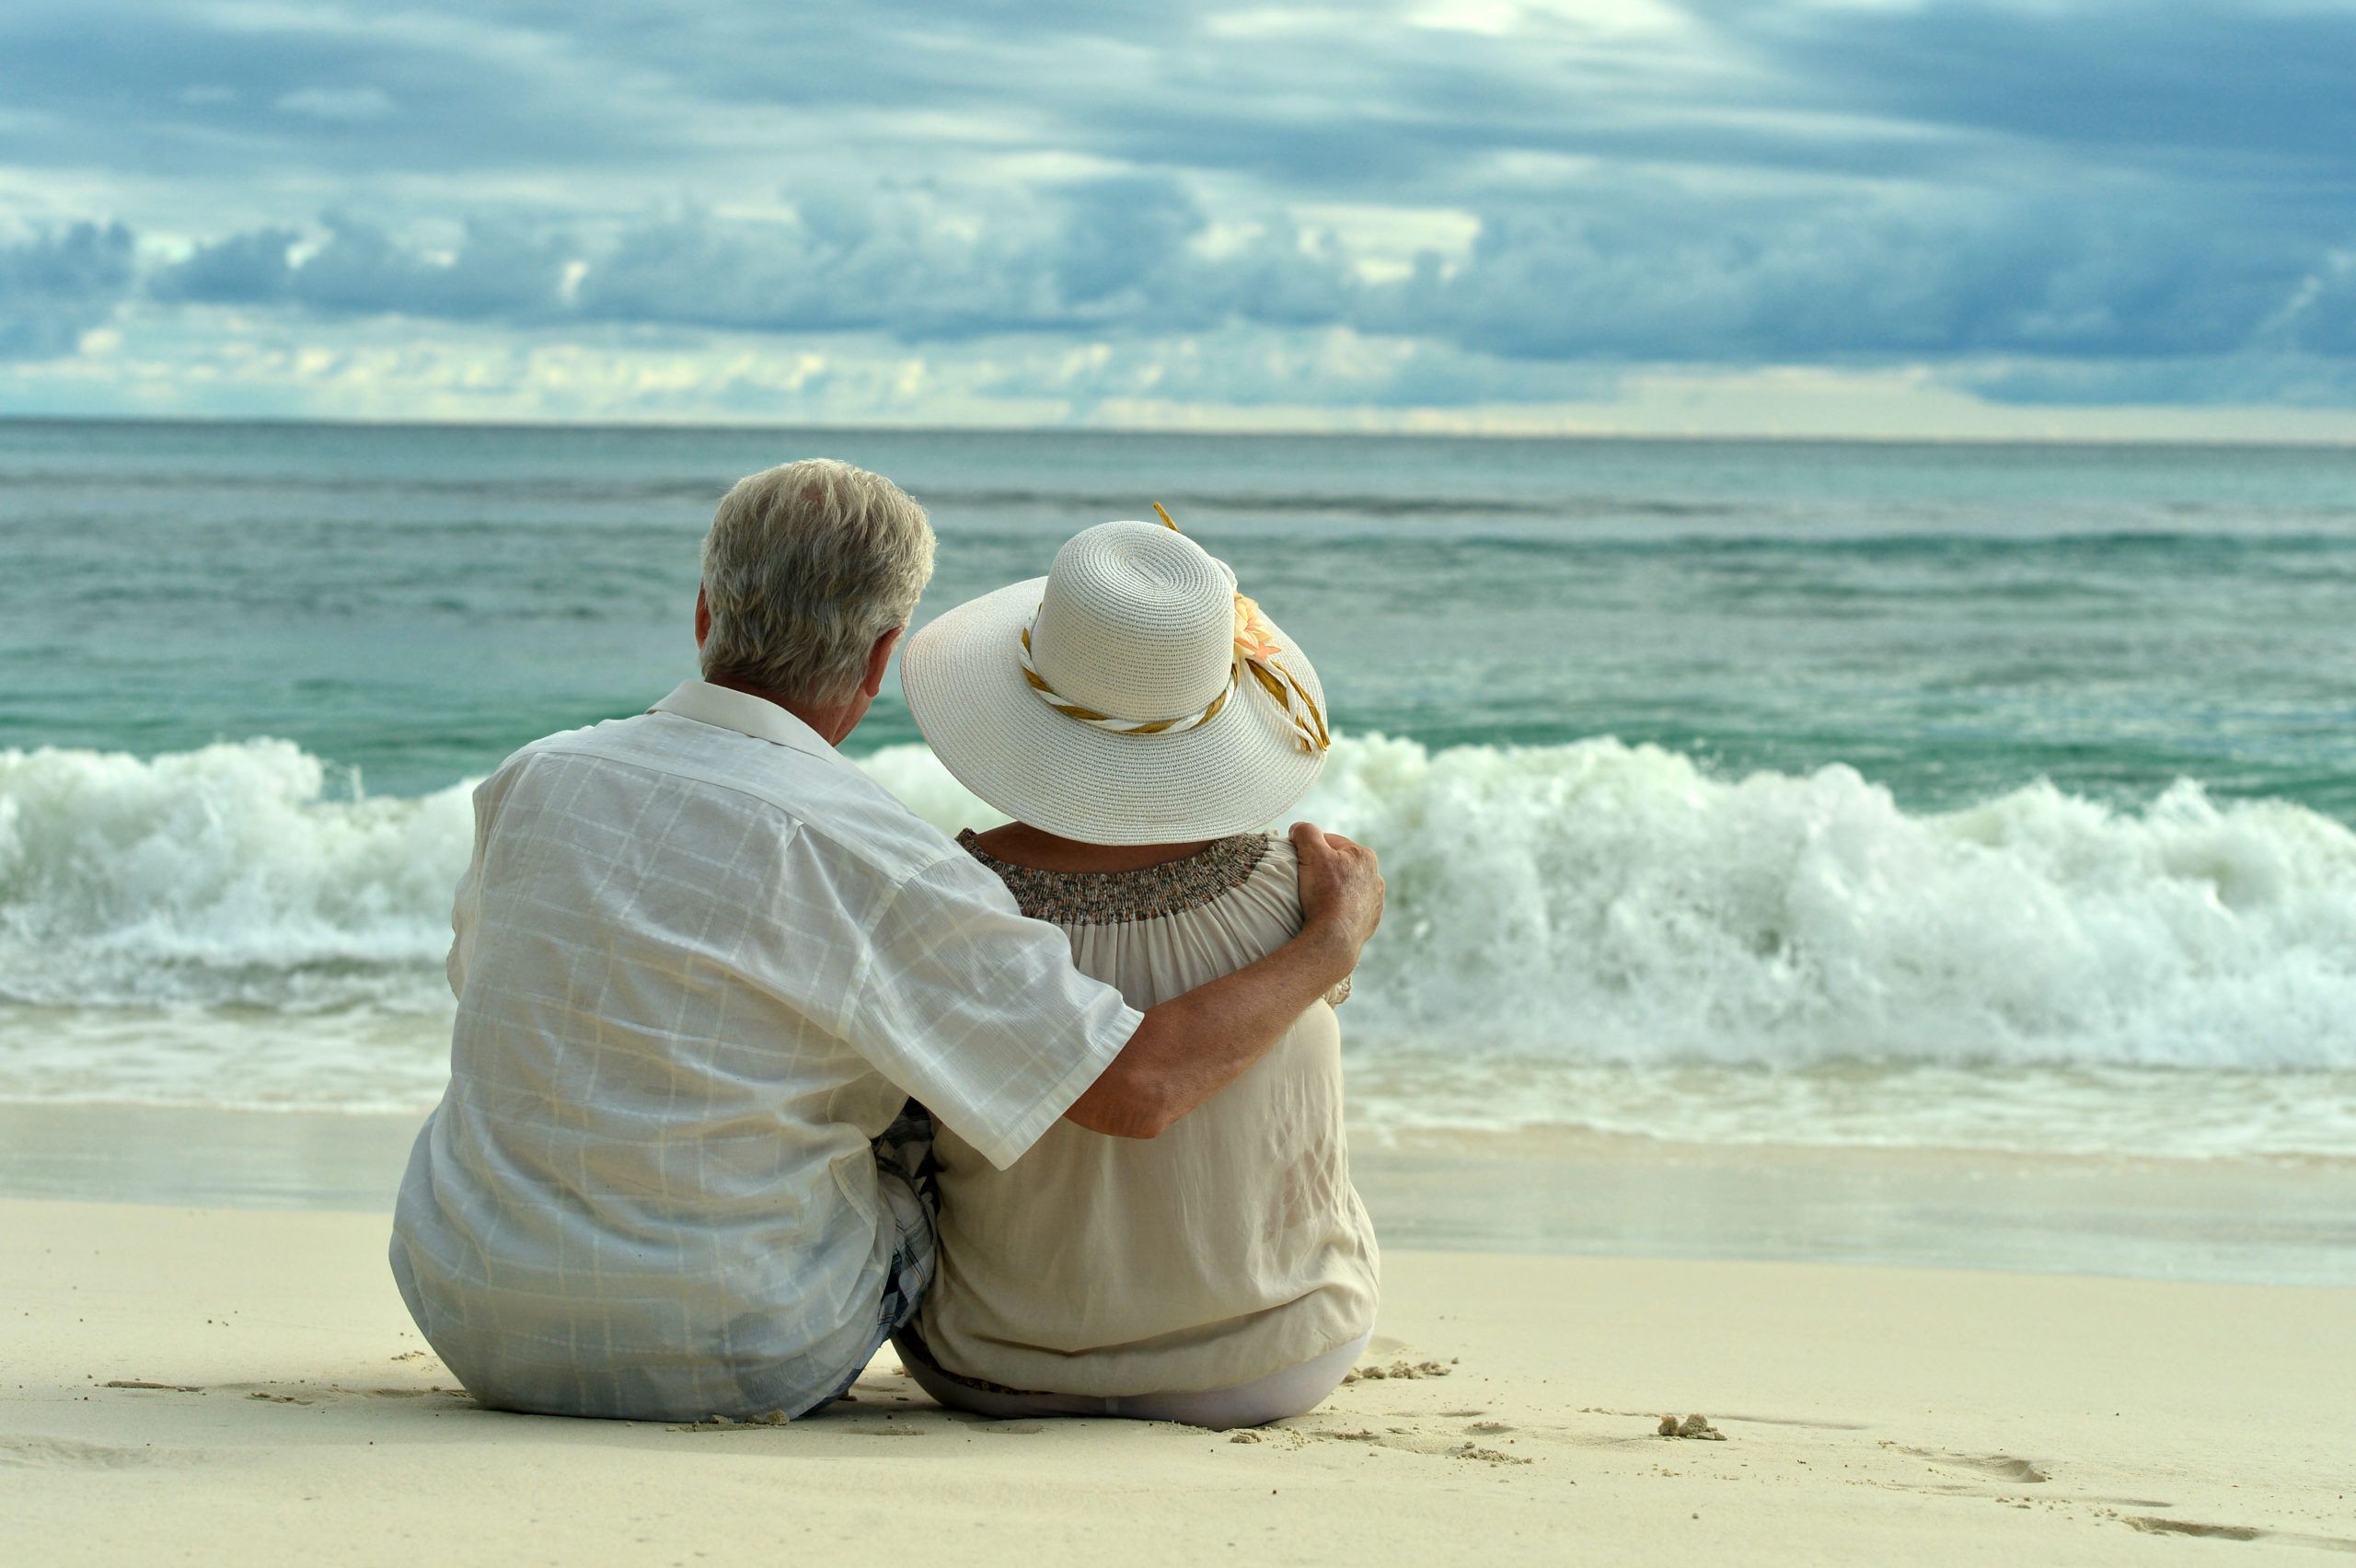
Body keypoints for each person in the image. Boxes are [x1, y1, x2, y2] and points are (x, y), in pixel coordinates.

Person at [387, 461, 1383, 1423]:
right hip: (743, 1348)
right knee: (913, 1105)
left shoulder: (532, 778)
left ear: (704, 613)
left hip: (468, 1316)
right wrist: (1327, 944)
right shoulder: (884, 859)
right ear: (878, 657)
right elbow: (1137, 1088)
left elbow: (484, 988)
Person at [891, 514, 1379, 1430]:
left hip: (993, 1361)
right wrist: (1332, 943)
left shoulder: (946, 901)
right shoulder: (1310, 892)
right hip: (1272, 1357)